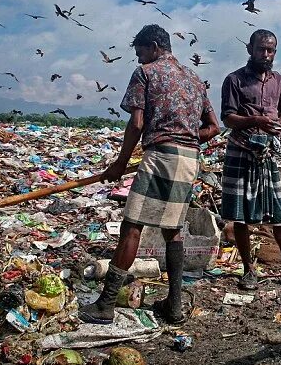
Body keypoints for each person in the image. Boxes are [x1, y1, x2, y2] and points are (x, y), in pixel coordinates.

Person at [80, 24, 219, 324]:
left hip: (161, 157)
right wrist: (187, 138)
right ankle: (175, 306)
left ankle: (105, 305)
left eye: (141, 52)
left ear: (155, 46)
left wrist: (119, 163)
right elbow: (214, 127)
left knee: (133, 226)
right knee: (173, 230)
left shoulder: (146, 74)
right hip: (189, 160)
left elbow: (137, 124)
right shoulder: (195, 79)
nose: (139, 59)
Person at [219, 29, 281, 291]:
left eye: (271, 50)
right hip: (241, 149)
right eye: (261, 49)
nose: (266, 54)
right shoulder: (234, 80)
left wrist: (276, 127)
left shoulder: (280, 82)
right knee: (240, 217)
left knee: (279, 215)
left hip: (267, 153)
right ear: (250, 49)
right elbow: (228, 118)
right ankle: (249, 271)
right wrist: (257, 121)